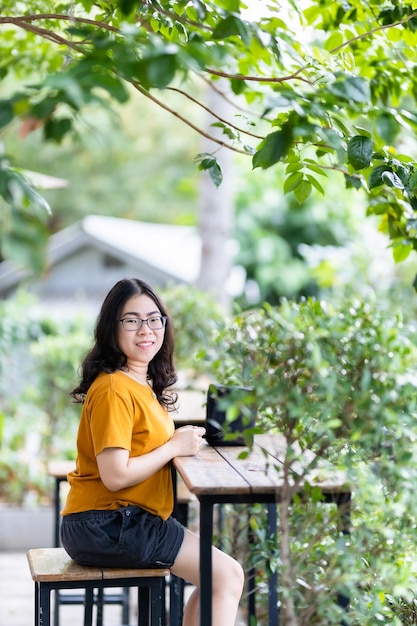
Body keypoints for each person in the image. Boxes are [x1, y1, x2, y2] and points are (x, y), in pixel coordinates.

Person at [61, 277, 244, 626]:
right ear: (111, 328)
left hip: (116, 522)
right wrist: (173, 446)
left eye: (154, 318)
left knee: (217, 576)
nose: (145, 329)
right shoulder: (115, 388)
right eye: (132, 320)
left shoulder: (136, 384)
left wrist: (179, 441)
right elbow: (115, 476)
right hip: (107, 523)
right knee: (227, 576)